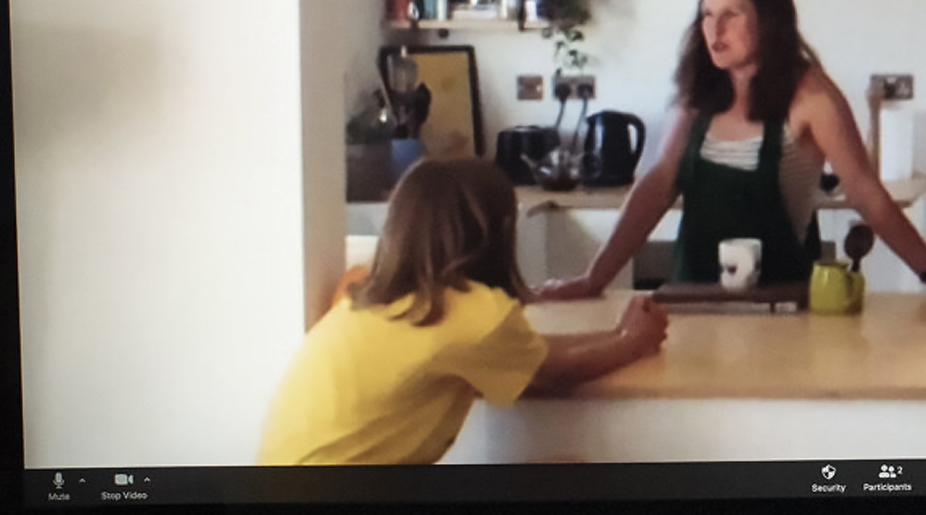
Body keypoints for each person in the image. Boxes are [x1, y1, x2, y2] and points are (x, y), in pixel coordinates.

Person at [537, 0, 926, 303]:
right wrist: (594, 279)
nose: (715, 29)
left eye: (732, 14)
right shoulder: (697, 96)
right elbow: (658, 185)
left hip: (782, 306)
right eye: (707, 14)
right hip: (693, 303)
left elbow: (866, 194)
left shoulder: (812, 98)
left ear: (769, 20)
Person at [259, 158, 669, 464]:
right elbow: (547, 373)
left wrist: (615, 334)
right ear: (499, 230)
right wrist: (632, 342)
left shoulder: (375, 301)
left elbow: (530, 352)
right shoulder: (474, 314)